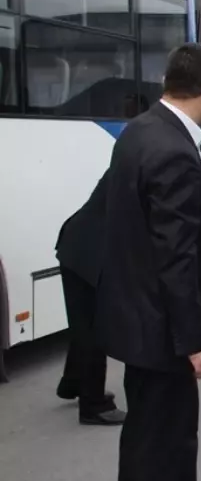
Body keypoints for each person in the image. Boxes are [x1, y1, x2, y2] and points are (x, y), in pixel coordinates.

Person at [99, 43, 201, 481]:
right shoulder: (175, 149)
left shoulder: (141, 129)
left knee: (178, 426)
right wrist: (197, 341)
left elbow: (146, 216)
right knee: (152, 436)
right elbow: (175, 258)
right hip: (160, 320)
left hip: (139, 309)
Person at [54, 171, 125, 425]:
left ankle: (73, 383)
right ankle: (94, 405)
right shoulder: (143, 165)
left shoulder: (131, 159)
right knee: (94, 327)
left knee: (83, 323)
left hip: (79, 245)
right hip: (89, 254)